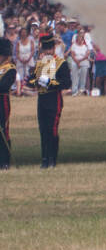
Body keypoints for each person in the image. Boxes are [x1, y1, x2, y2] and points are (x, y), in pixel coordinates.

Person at [32, 33, 71, 168]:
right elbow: (31, 80)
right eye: (45, 49)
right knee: (43, 130)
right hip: (42, 99)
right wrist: (36, 81)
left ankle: (52, 159)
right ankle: (44, 159)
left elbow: (66, 83)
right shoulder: (40, 63)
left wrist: (50, 82)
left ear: (54, 49)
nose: (47, 51)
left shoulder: (61, 63)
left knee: (52, 129)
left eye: (50, 48)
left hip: (54, 98)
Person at [0, 37, 14, 169]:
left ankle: (5, 161)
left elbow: (4, 86)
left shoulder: (10, 68)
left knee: (3, 131)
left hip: (2, 101)